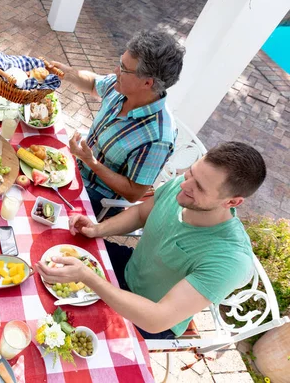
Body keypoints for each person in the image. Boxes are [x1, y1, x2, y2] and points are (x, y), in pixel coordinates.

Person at [37, 142, 266, 339]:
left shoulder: (230, 260)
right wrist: (98, 229)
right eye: (191, 173)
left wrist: (88, 278)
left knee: (58, 333)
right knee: (51, 247)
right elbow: (140, 214)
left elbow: (157, 319)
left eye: (199, 187)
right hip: (127, 269)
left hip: (146, 316)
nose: (184, 185)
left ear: (233, 203)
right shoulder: (184, 188)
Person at [54, 30, 185, 216]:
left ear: (147, 83)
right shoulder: (121, 88)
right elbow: (93, 84)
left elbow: (133, 193)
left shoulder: (158, 138)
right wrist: (67, 73)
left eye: (123, 68)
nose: (116, 71)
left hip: (97, 197)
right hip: (73, 167)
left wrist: (90, 161)